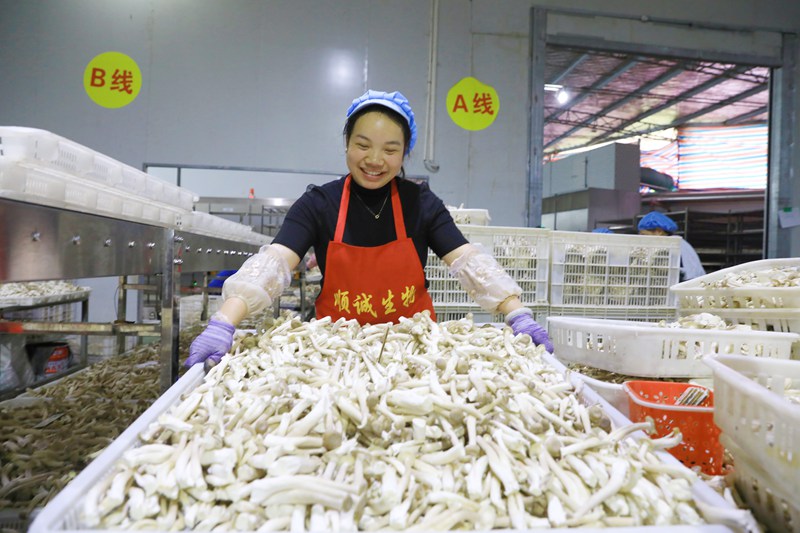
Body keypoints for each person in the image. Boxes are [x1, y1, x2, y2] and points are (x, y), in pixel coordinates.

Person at [186, 89, 553, 368]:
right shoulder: (319, 204)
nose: (375, 160)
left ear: (405, 152)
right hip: (333, 351)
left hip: (414, 353)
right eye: (363, 145)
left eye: (390, 150)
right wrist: (224, 321)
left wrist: (516, 312)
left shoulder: (421, 203)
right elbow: (276, 263)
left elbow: (469, 262)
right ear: (347, 143)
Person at [637, 211, 706, 282]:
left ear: (659, 231)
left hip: (690, 284)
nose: (643, 239)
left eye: (644, 235)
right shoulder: (675, 242)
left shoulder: (672, 244)